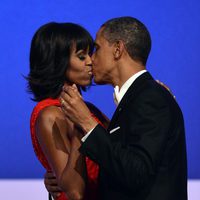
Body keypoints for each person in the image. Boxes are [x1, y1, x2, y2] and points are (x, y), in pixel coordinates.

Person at [59, 17, 188, 200]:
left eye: (97, 48)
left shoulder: (151, 98)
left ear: (118, 49)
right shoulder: (139, 98)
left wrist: (87, 123)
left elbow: (136, 172)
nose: (91, 59)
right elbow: (120, 169)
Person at [27, 22, 109, 200]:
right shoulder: (49, 114)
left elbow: (124, 153)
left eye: (90, 54)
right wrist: (81, 125)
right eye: (81, 56)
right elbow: (74, 193)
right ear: (58, 62)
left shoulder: (91, 110)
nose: (90, 61)